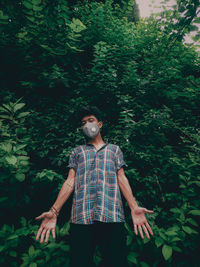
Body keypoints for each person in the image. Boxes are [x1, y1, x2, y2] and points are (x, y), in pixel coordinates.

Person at [35, 106, 154, 267]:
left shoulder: (114, 150)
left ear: (100, 124)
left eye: (90, 120)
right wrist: (54, 210)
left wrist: (133, 207)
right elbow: (70, 181)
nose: (87, 125)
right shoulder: (77, 152)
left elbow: (122, 178)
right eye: (83, 122)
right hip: (81, 218)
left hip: (112, 216)